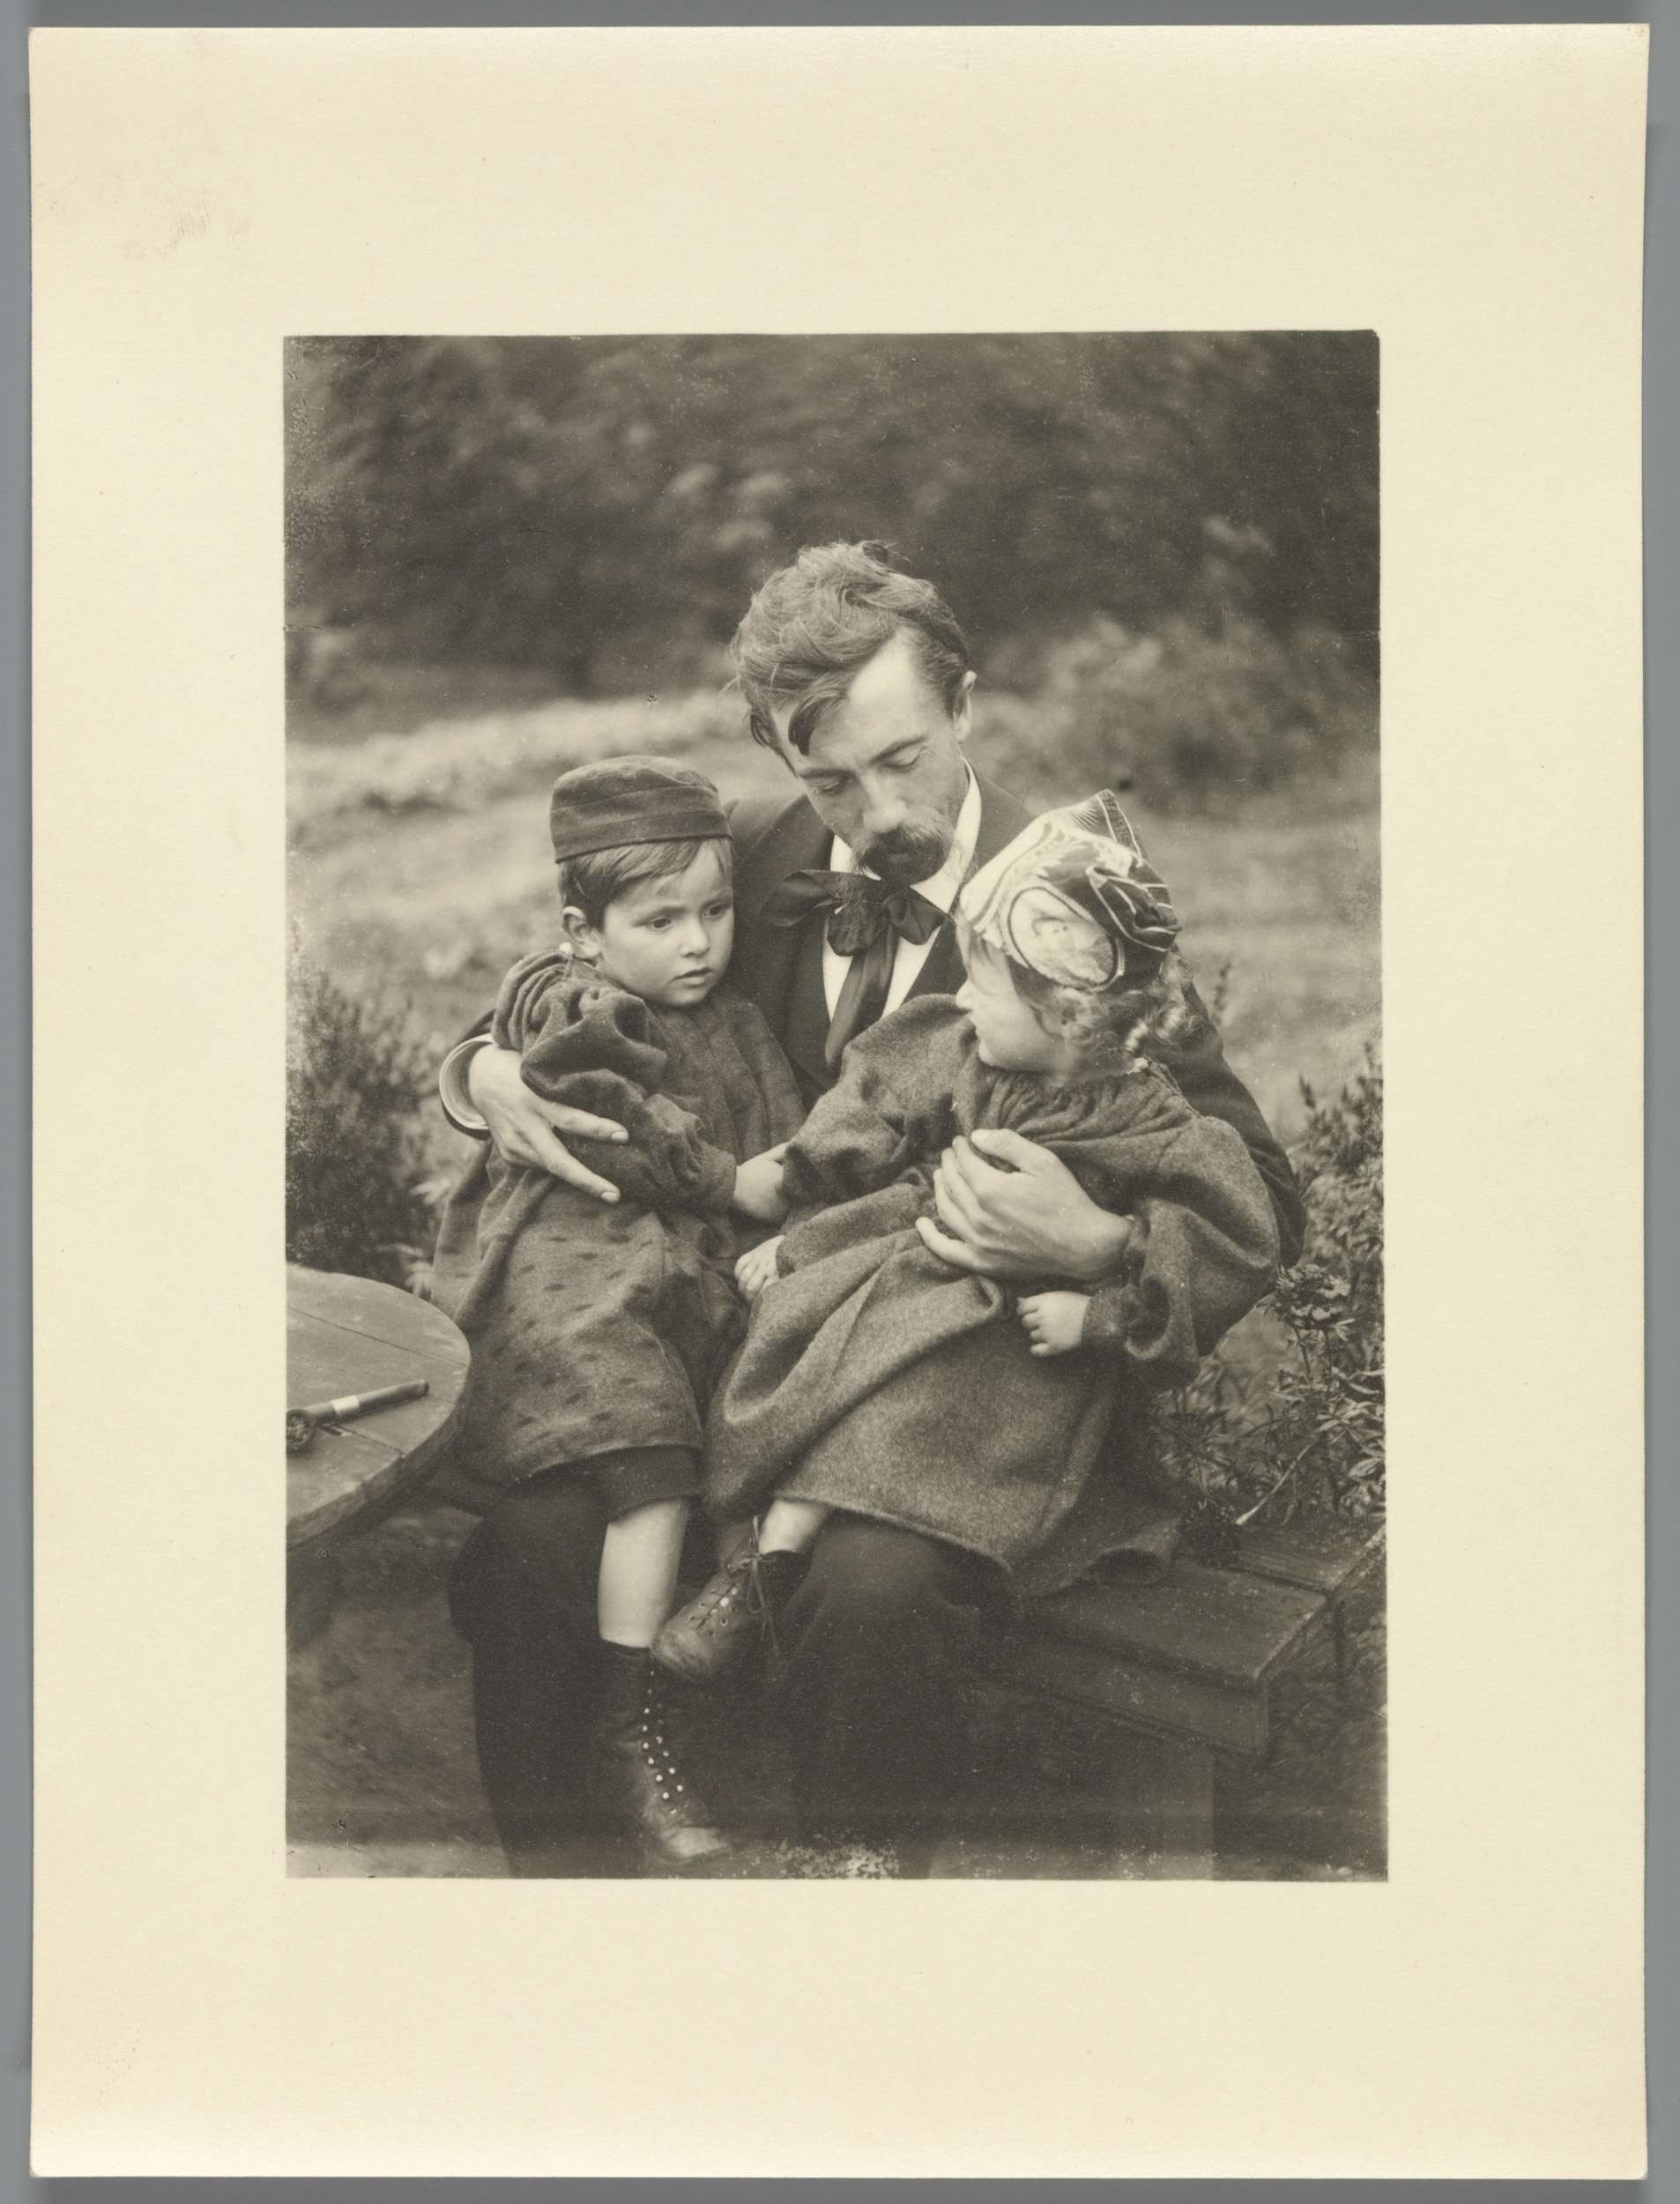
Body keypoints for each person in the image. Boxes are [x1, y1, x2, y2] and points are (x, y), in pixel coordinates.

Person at [440, 540, 1305, 1874]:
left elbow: (1258, 1188)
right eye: (830, 780)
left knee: (869, 1590)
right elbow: (577, 967)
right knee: (535, 1539)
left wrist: (1098, 1246)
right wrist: (482, 1071)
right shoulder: (758, 852)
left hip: (954, 1377)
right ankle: (567, 1898)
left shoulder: (1067, 903)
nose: (877, 812)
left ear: (962, 703)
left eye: (903, 758)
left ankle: (854, 1901)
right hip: (727, 1321)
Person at [651, 796, 1278, 1709]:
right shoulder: (959, 1048)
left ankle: (764, 1569)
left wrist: (1103, 1294)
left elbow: (1232, 1237)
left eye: (987, 982)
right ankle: (760, 1563)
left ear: (1068, 1016)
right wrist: (798, 1211)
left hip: (1011, 1360)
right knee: (815, 1374)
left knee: (907, 1432)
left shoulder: (1159, 1128)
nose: (966, 994)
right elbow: (870, 1117)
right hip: (899, 1280)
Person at [430, 757, 805, 1873]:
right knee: (647, 1449)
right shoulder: (574, 1002)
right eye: (661, 920)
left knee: (745, 1413)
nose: (698, 942)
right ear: (583, 933)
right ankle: (627, 1720)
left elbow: (789, 1139)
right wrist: (731, 1182)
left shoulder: (737, 1023)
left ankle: (709, 1643)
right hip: (576, 1264)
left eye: (715, 912)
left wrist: (796, 1198)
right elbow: (607, 1113)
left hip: (682, 1273)